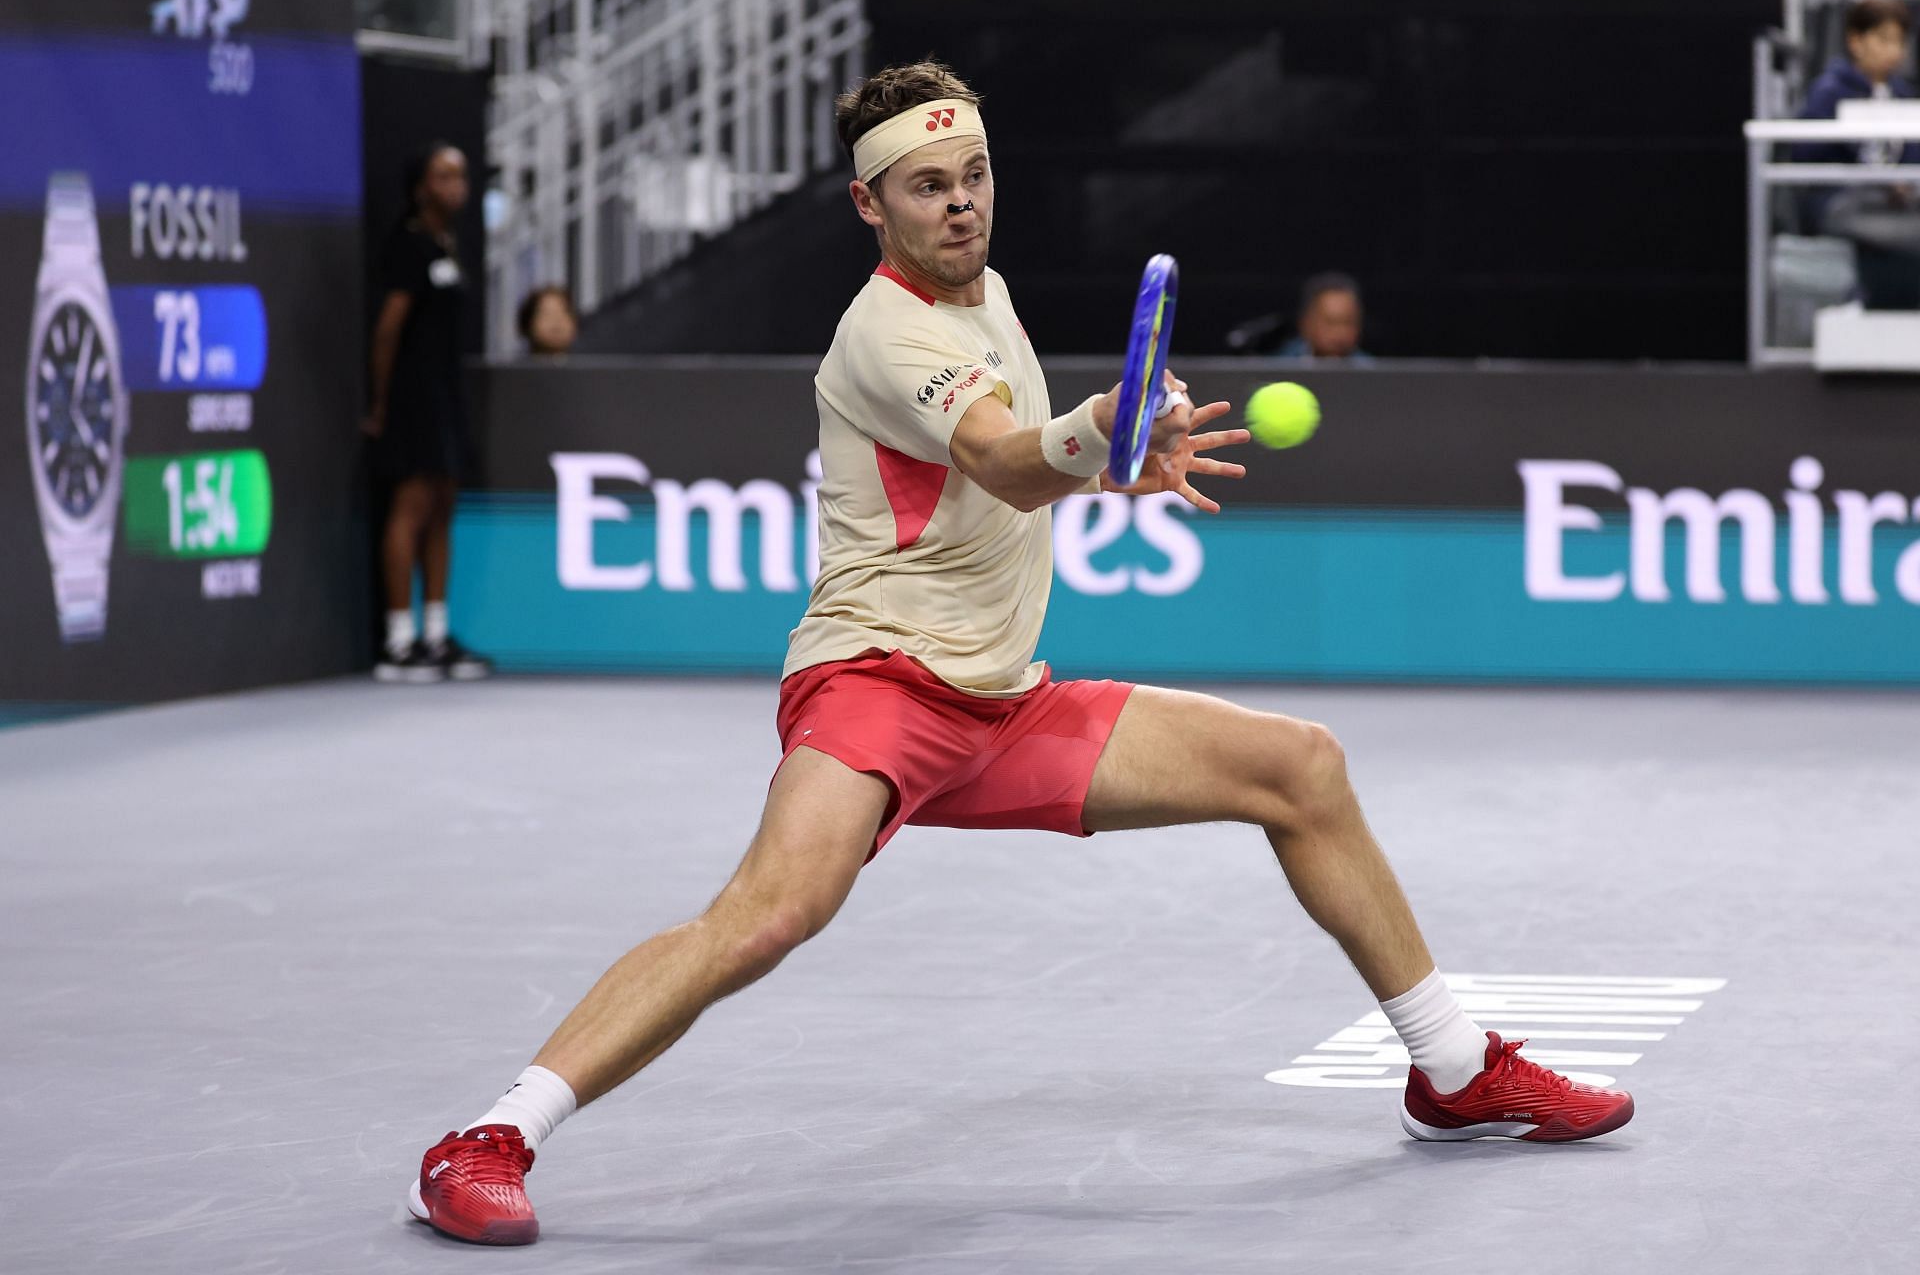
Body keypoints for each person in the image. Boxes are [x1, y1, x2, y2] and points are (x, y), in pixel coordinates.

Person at [404, 60, 1633, 1247]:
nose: (961, 201)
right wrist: (1101, 425)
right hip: (878, 679)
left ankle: (1456, 1069)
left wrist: (1109, 460)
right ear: (868, 203)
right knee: (772, 912)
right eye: (929, 184)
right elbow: (1000, 456)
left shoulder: (981, 292)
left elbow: (1015, 473)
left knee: (1300, 767)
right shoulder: (886, 330)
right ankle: (486, 1139)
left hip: (1002, 697)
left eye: (976, 173)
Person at [364, 142, 492, 683]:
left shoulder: (449, 243)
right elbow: (389, 328)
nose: (455, 185)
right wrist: (379, 402)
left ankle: (434, 634)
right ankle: (398, 641)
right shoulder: (409, 246)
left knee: (442, 506)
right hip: (413, 397)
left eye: (460, 175)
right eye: (443, 176)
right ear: (421, 187)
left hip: (446, 394)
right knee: (411, 507)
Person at [1795, 0, 1920, 308]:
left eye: (1899, 42)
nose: (1893, 51)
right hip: (1844, 201)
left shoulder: (1901, 93)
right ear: (1856, 40)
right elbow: (1807, 152)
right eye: (1883, 40)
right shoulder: (1828, 91)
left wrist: (1903, 184)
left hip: (1894, 204)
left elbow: (1912, 153)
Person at [1275, 272, 1375, 363]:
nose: (1340, 333)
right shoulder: (1280, 365)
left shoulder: (1371, 370)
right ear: (1305, 323)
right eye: (1331, 322)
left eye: (1348, 322)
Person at [517, 284, 578, 357]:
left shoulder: (587, 366)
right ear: (528, 323)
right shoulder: (510, 367)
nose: (556, 321)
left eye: (563, 313)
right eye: (547, 314)